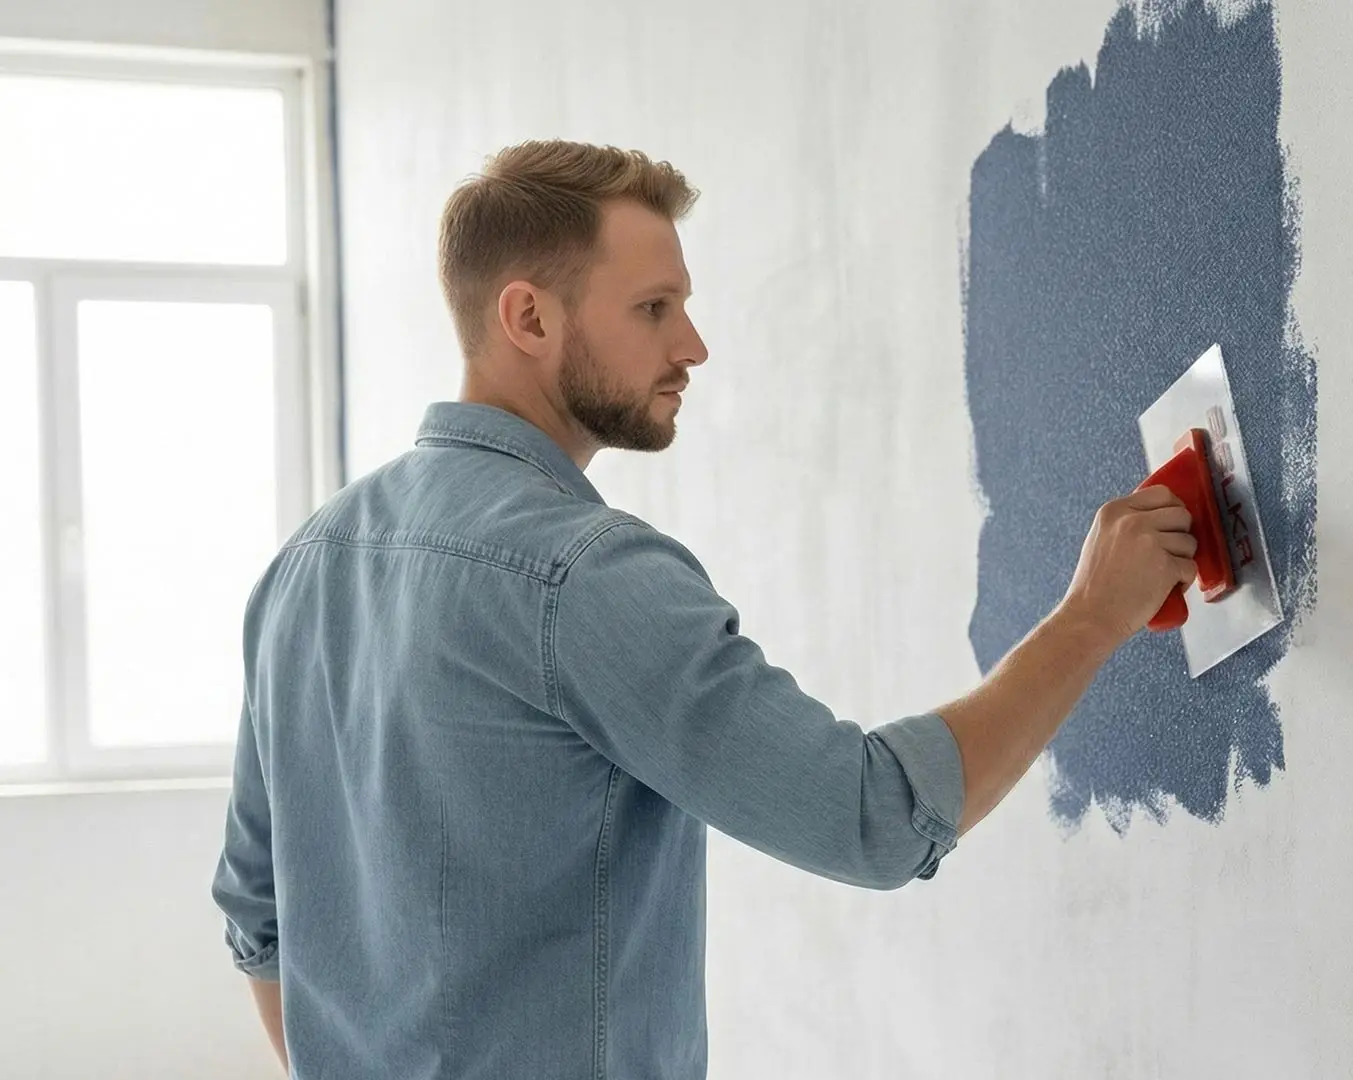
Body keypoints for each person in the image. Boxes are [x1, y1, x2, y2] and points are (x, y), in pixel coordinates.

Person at [211, 139, 1198, 1079]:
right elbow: (873, 819)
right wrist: (1090, 618)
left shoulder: (305, 566)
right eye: (653, 308)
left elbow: (261, 926)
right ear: (529, 318)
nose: (693, 345)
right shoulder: (582, 574)